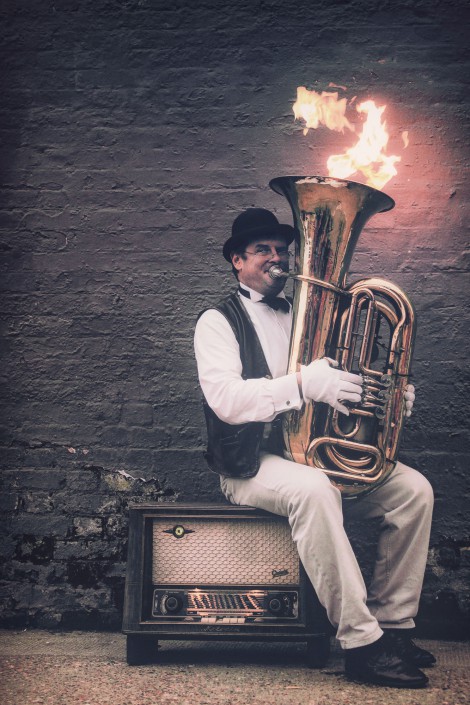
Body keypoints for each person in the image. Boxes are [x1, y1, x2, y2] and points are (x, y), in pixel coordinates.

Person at [194, 207, 435, 689]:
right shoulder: (217, 322)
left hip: (309, 453)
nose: (276, 257)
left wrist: (384, 398)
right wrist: (304, 384)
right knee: (314, 490)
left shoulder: (317, 313)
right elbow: (227, 403)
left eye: (283, 250)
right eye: (262, 249)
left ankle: (393, 626)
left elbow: (346, 382)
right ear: (236, 260)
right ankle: (362, 643)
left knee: (415, 491)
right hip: (249, 465)